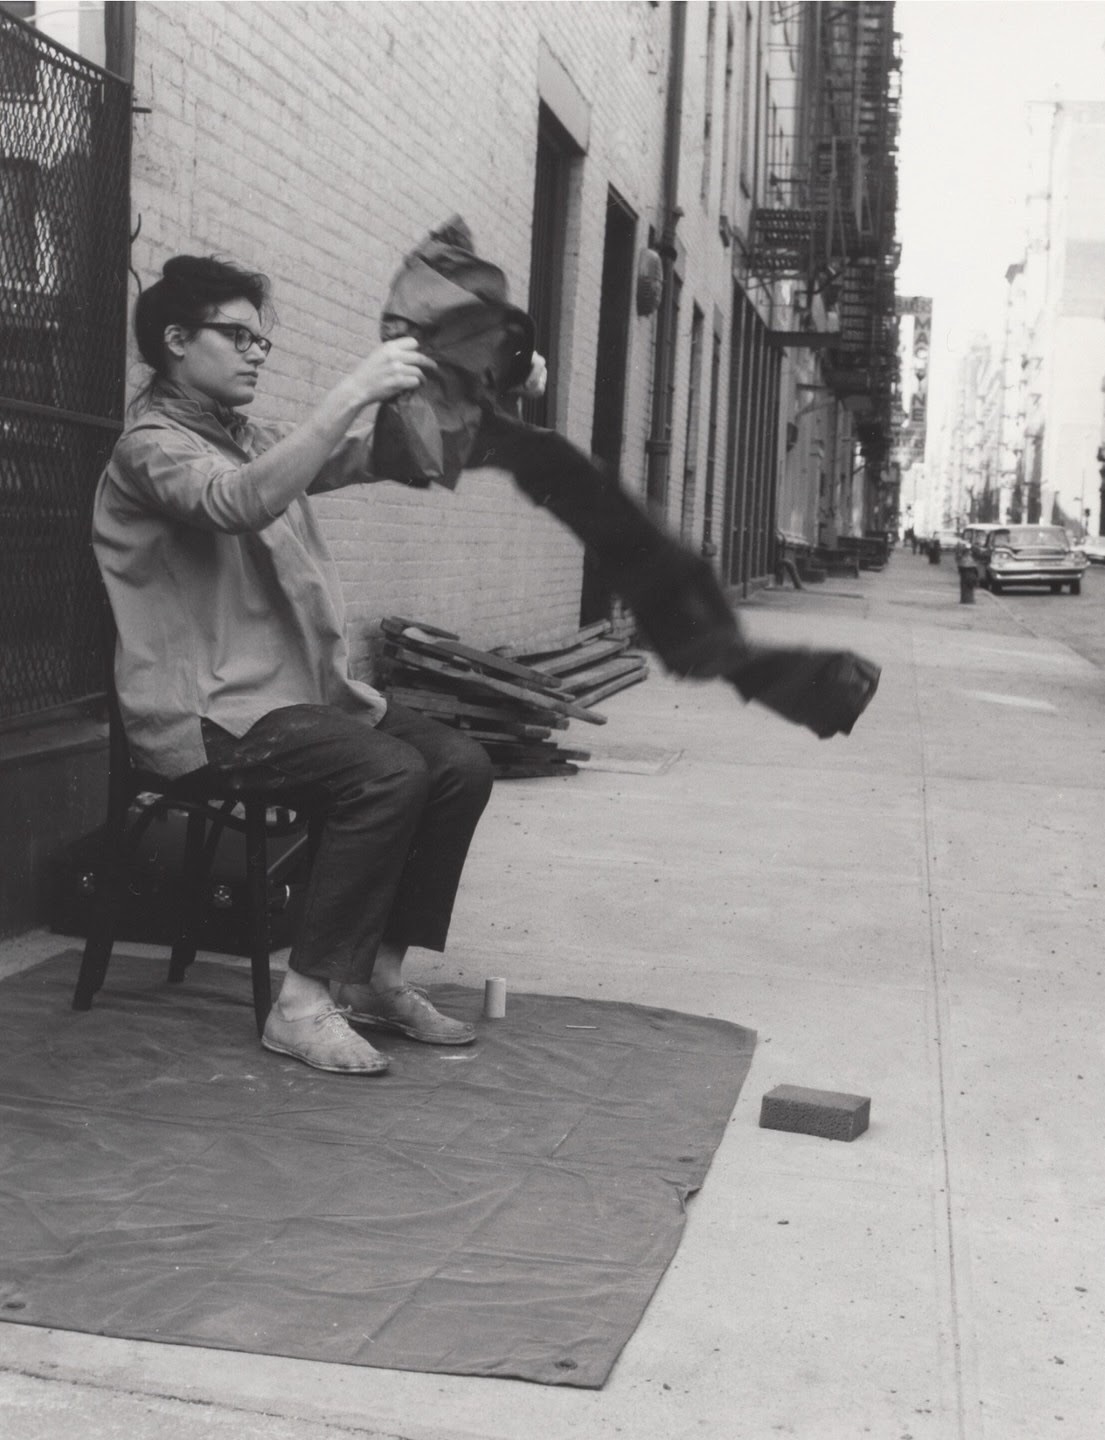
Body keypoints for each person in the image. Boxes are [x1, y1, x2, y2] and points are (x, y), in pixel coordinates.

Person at [93, 254, 541, 1075]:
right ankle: (300, 1006)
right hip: (205, 716)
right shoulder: (150, 449)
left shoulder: (250, 439)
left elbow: (390, 455)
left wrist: (485, 388)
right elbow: (237, 500)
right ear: (176, 341)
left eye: (262, 338)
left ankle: (375, 976)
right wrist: (349, 390)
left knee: (457, 763)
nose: (257, 351)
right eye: (238, 336)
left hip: (292, 701)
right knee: (387, 771)